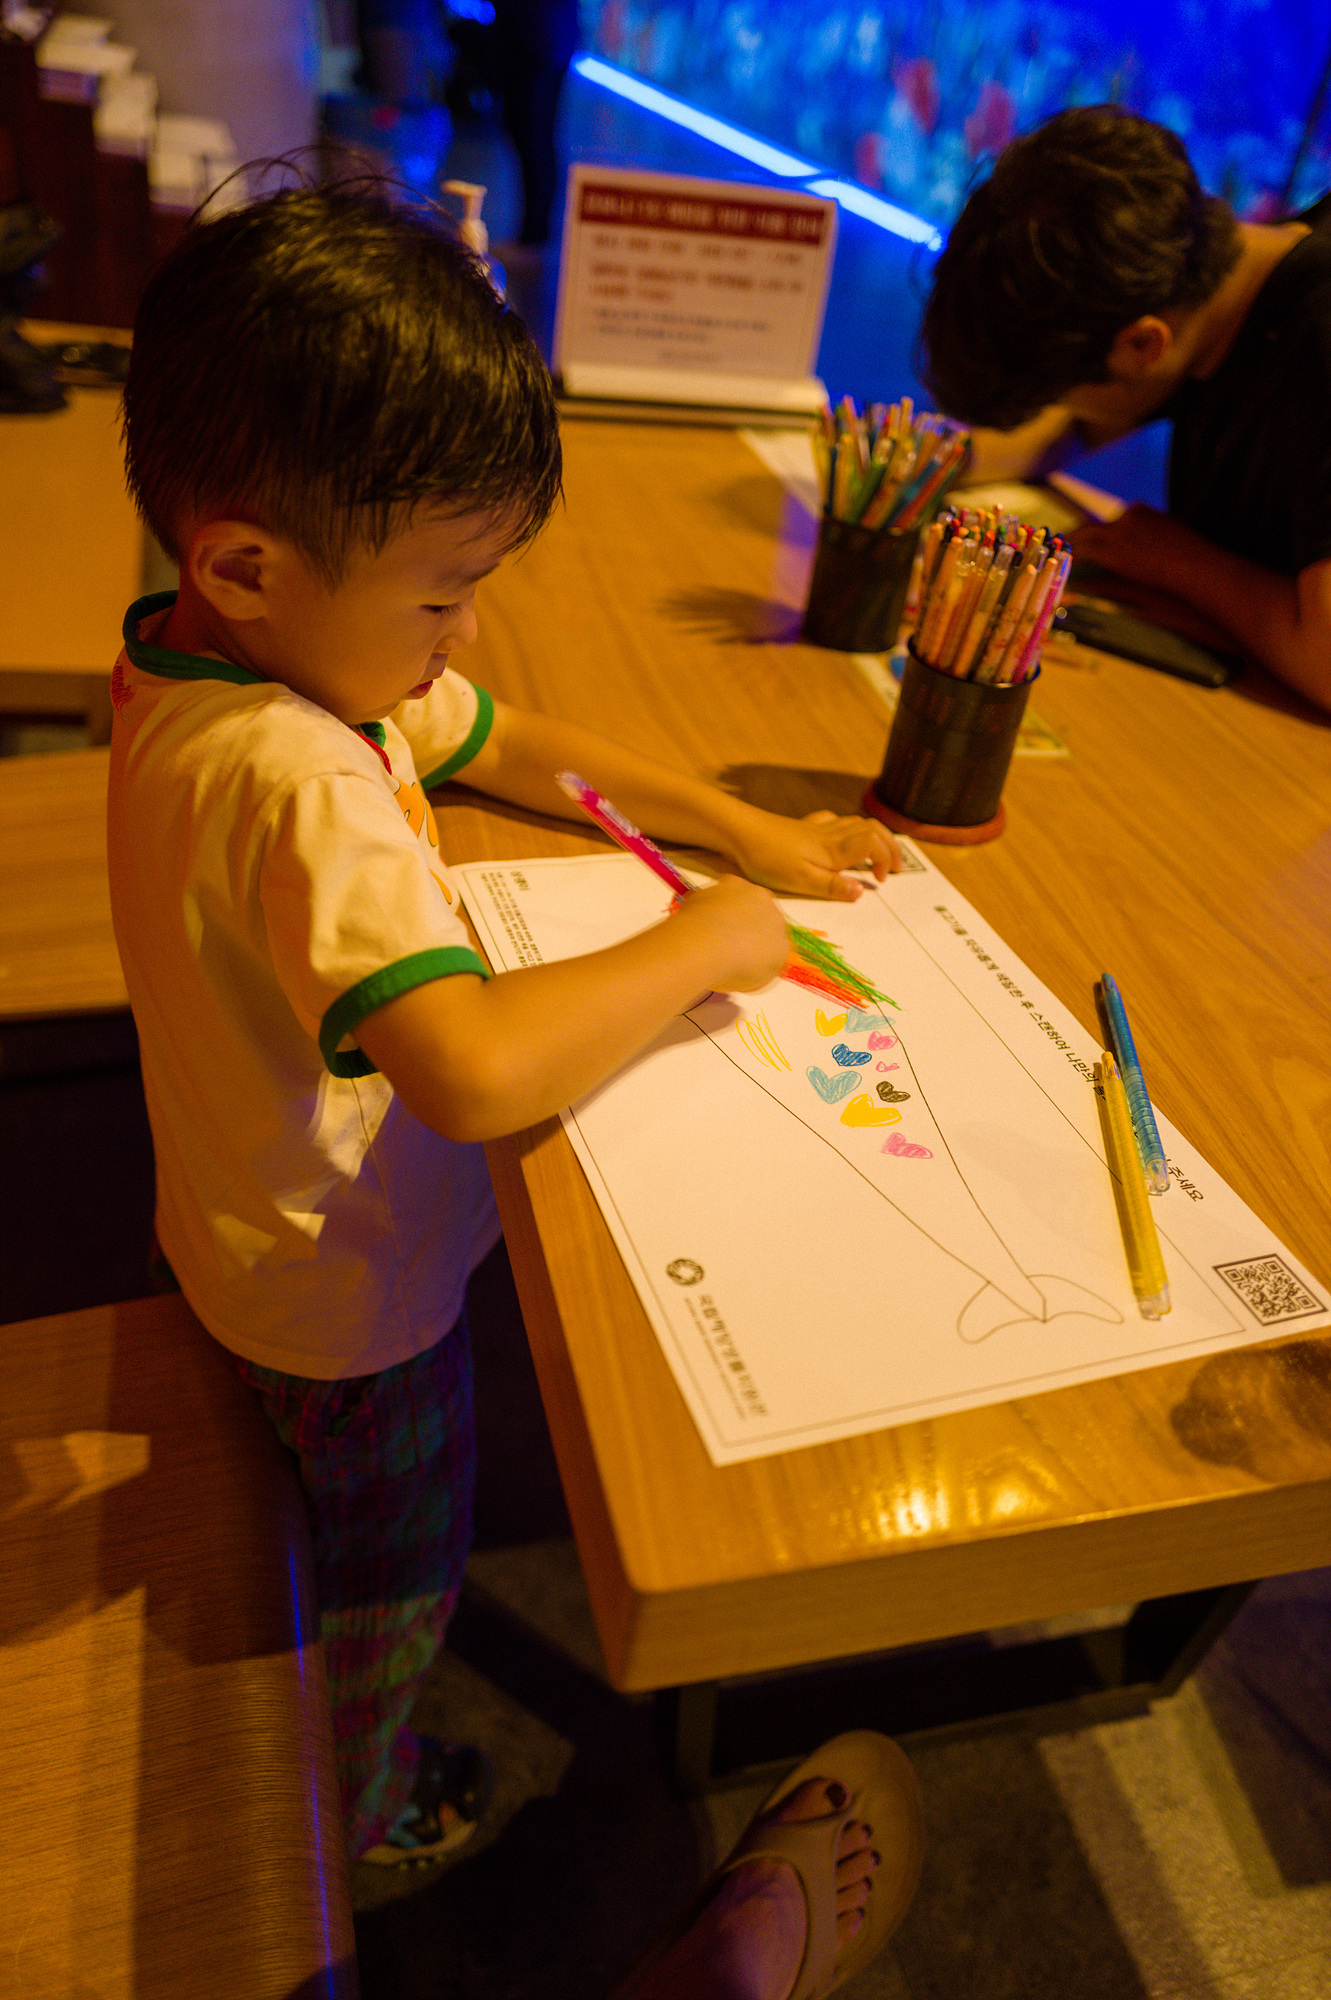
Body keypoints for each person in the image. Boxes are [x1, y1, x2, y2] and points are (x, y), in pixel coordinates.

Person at [109, 181, 900, 1869]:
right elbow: (468, 1070)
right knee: (391, 1571)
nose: (459, 634)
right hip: (350, 1303)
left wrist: (735, 826)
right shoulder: (296, 773)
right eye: (441, 594)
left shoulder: (218, 657)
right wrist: (703, 938)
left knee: (297, 1491)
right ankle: (354, 1805)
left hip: (229, 1207)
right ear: (245, 563)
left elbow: (503, 736)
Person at [920, 105, 1331, 713]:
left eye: (1060, 390)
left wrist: (1178, 561)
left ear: (1142, 345)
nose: (1059, 410)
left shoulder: (1320, 342)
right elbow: (1067, 427)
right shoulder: (1196, 285)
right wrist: (935, 463)